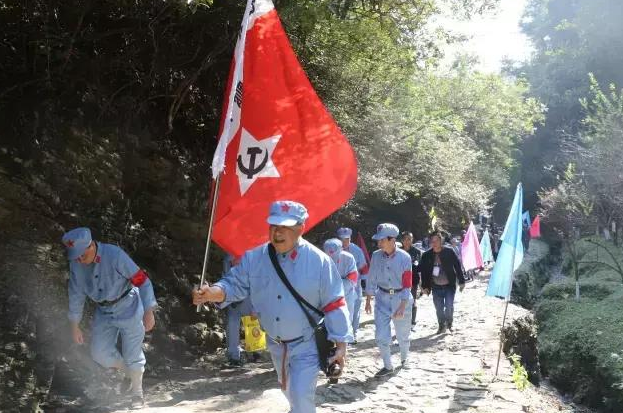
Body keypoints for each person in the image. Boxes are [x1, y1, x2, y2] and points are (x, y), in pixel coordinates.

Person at [192, 201, 351, 413]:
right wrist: (213, 292)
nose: (277, 232)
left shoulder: (319, 262)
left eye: (285, 227)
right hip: (275, 344)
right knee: (289, 392)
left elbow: (334, 303)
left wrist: (341, 344)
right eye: (273, 226)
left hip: (307, 344)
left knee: (302, 399)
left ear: (300, 228)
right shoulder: (254, 258)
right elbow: (234, 284)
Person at [62, 227, 157, 409]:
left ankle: (137, 394)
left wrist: (148, 310)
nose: (79, 260)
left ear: (91, 246)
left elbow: (142, 280)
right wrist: (74, 325)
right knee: (99, 353)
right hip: (103, 312)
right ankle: (130, 372)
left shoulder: (114, 255)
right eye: (76, 256)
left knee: (132, 353)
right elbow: (76, 294)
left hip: (129, 305)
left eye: (82, 255)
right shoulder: (76, 263)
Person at [365, 223, 413, 376]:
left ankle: (405, 359)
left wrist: (402, 305)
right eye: (378, 240)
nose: (379, 243)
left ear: (392, 240)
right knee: (380, 335)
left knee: (402, 334)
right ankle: (387, 365)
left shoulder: (405, 257)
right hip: (382, 299)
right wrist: (368, 299)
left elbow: (407, 283)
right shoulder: (375, 256)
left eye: (382, 240)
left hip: (401, 298)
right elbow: (371, 277)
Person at [420, 232, 466, 334]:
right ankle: (441, 325)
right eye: (432, 241)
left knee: (449, 306)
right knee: (439, 308)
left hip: (449, 285)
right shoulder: (426, 255)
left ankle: (449, 323)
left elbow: (457, 266)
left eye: (437, 240)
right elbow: (424, 272)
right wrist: (424, 286)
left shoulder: (449, 252)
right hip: (436, 286)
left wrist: (462, 281)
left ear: (441, 241)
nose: (434, 243)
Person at [221, 255, 261, 368]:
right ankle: (234, 356)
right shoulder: (227, 258)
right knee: (232, 325)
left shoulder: (251, 254)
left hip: (248, 294)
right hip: (232, 296)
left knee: (253, 321)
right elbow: (225, 277)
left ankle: (255, 350)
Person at [336, 227, 368, 344]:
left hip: (354, 284)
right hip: (338, 285)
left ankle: (353, 333)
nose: (345, 242)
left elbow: (363, 264)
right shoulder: (334, 250)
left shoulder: (356, 250)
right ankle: (342, 334)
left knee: (355, 308)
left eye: (347, 239)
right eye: (343, 239)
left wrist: (355, 272)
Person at [323, 238, 358, 343]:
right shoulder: (321, 259)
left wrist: (333, 285)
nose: (331, 255)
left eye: (333, 253)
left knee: (347, 318)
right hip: (327, 295)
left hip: (347, 294)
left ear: (341, 250)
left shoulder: (349, 258)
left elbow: (353, 279)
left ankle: (346, 342)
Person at [400, 231, 421, 329]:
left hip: (413, 279)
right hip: (399, 280)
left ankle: (412, 322)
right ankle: (402, 321)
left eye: (410, 239)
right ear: (402, 240)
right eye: (406, 239)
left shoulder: (417, 252)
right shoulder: (397, 252)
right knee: (401, 301)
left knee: (412, 300)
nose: (408, 241)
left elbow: (420, 267)